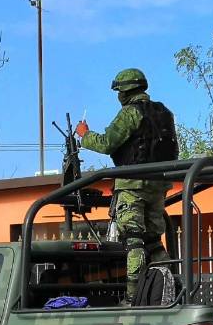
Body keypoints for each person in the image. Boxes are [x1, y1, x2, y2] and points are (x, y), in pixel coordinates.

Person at [75, 67, 179, 301]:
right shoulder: (165, 113)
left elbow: (107, 143)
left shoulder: (131, 113)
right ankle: (171, 292)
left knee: (134, 241)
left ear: (124, 92)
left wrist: (84, 134)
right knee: (154, 242)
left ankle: (132, 299)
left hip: (133, 185)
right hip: (158, 185)